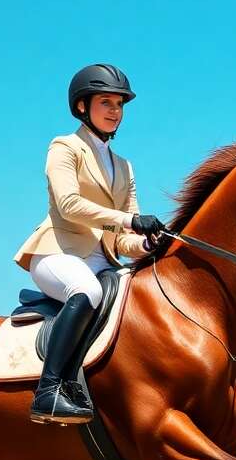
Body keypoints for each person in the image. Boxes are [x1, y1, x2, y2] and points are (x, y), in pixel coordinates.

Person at [13, 64, 160, 424]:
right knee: (87, 291)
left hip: (104, 261)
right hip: (57, 252)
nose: (115, 111)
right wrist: (129, 220)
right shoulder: (65, 147)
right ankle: (48, 390)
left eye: (120, 104)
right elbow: (69, 204)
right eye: (106, 102)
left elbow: (125, 239)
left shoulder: (124, 166)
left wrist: (148, 246)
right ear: (82, 107)